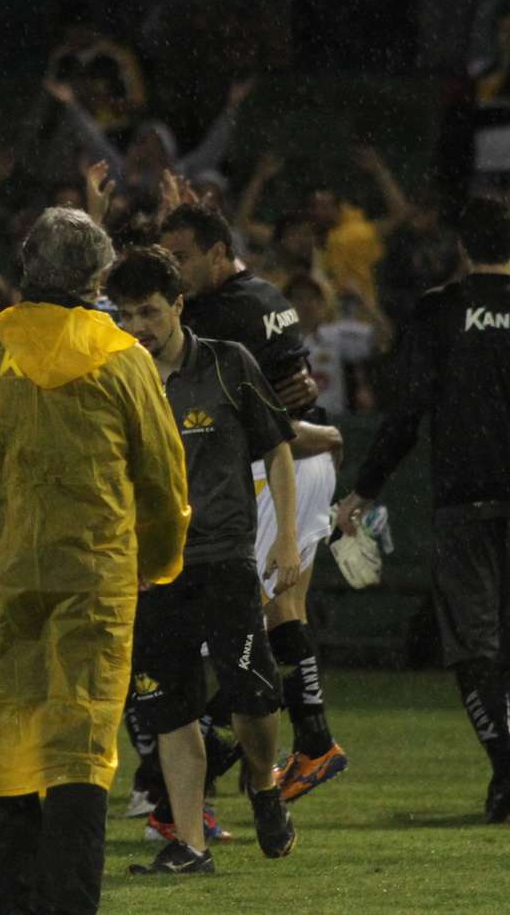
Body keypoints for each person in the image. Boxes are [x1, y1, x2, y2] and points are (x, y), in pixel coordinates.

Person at [0, 208, 189, 915]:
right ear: (96, 278)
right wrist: (161, 559)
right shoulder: (124, 357)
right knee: (81, 751)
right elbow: (163, 476)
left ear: (26, 265)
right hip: (95, 579)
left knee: (9, 753)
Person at [105, 248, 301, 876]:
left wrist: (287, 536)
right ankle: (191, 845)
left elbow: (278, 450)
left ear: (179, 305)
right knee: (169, 708)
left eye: (150, 312)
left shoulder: (227, 364)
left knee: (253, 696)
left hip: (223, 560)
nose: (137, 326)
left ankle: (264, 788)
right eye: (126, 313)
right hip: (151, 571)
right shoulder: (116, 376)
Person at [160, 201, 350, 801]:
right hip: (306, 459)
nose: (174, 270)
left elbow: (248, 408)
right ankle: (304, 745)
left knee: (253, 626)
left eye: (182, 257)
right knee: (280, 616)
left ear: (218, 253)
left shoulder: (221, 313)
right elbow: (286, 388)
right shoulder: (267, 295)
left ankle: (220, 760)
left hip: (282, 464)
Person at [338, 194, 510, 824]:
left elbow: (406, 415)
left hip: (464, 501)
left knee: (473, 646)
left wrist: (363, 490)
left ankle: (506, 768)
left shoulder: (440, 312)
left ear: (463, 245)